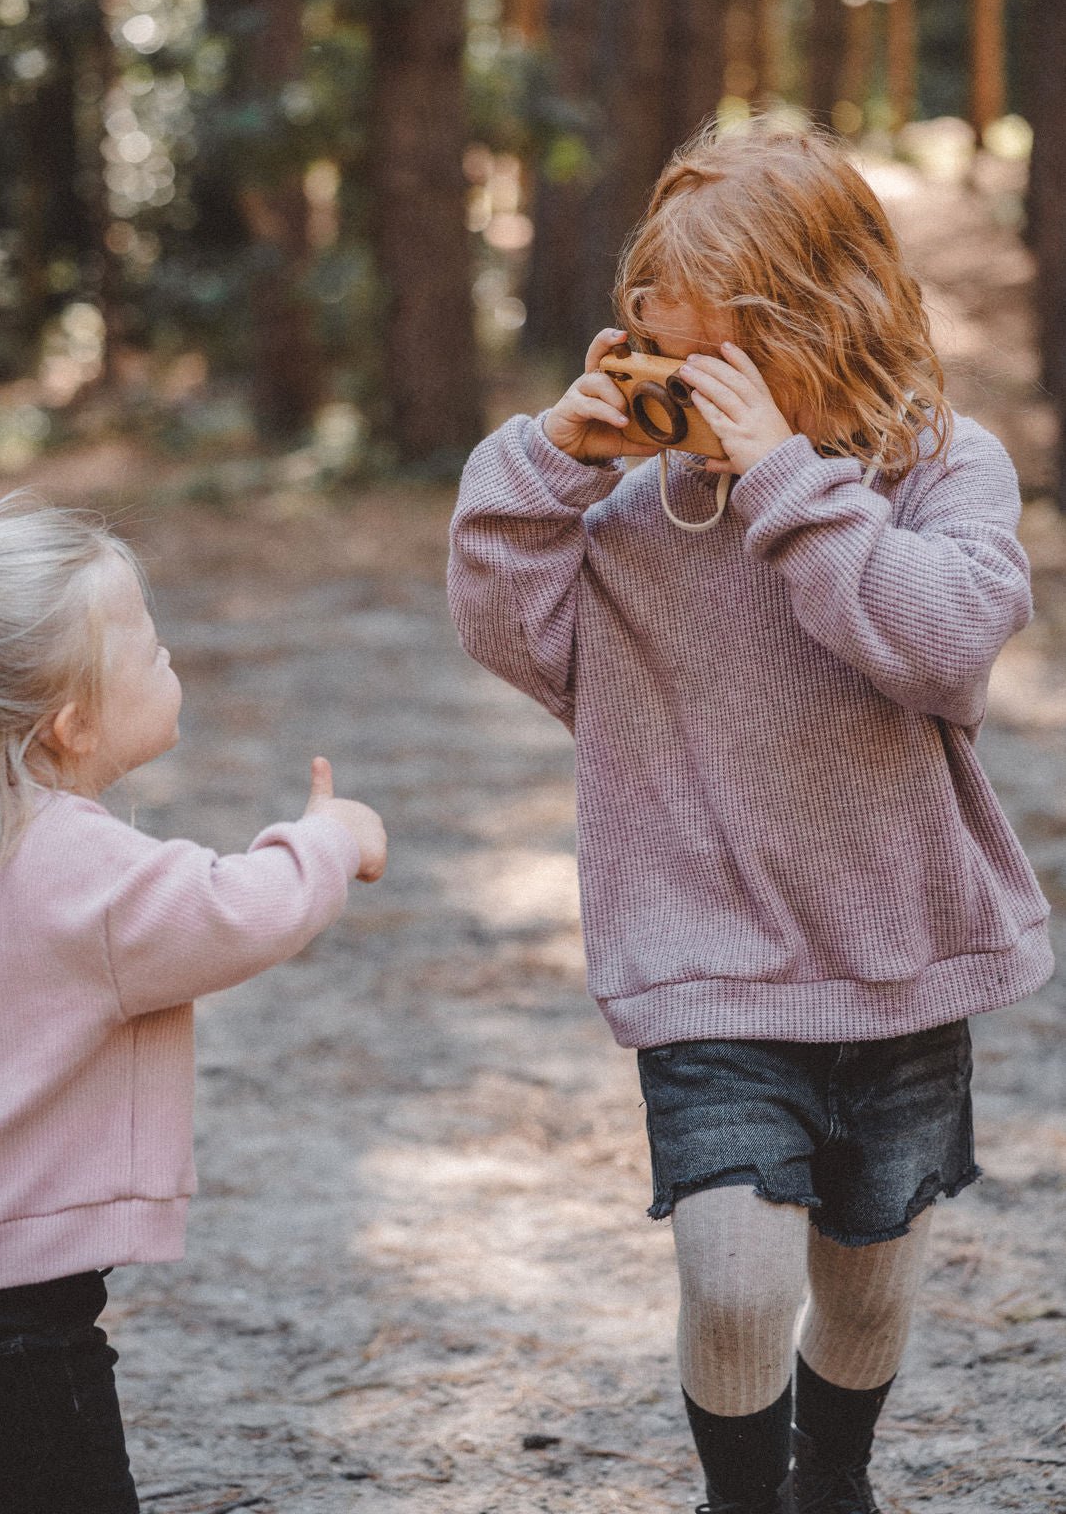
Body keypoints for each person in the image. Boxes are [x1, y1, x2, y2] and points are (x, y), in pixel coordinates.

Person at [447, 119, 1054, 1514]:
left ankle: (830, 1478)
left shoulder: (937, 471)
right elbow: (505, 625)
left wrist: (786, 480)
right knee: (733, 1285)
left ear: (820, 326)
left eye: (717, 361)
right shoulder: (639, 514)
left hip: (891, 955)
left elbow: (938, 641)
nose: (690, 393)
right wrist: (549, 458)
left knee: (864, 1279)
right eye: (662, 345)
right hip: (703, 959)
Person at [0, 492, 387, 1514]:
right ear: (74, 723)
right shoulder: (72, 864)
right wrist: (330, 837)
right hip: (25, 1328)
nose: (171, 658)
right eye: (150, 646)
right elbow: (238, 909)